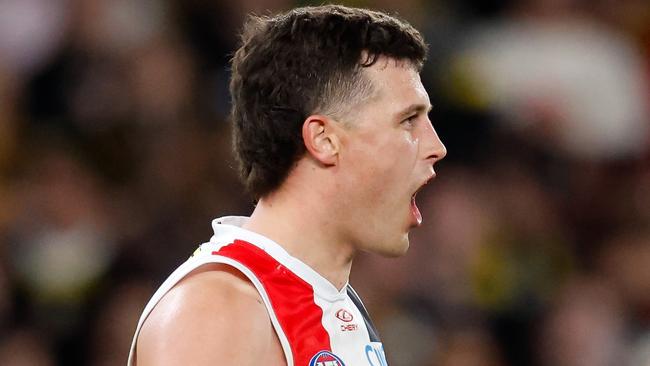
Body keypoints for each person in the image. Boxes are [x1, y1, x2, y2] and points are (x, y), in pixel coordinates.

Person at [127, 4, 446, 366]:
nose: (437, 147)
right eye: (408, 120)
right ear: (324, 140)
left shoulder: (338, 304)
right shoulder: (219, 309)